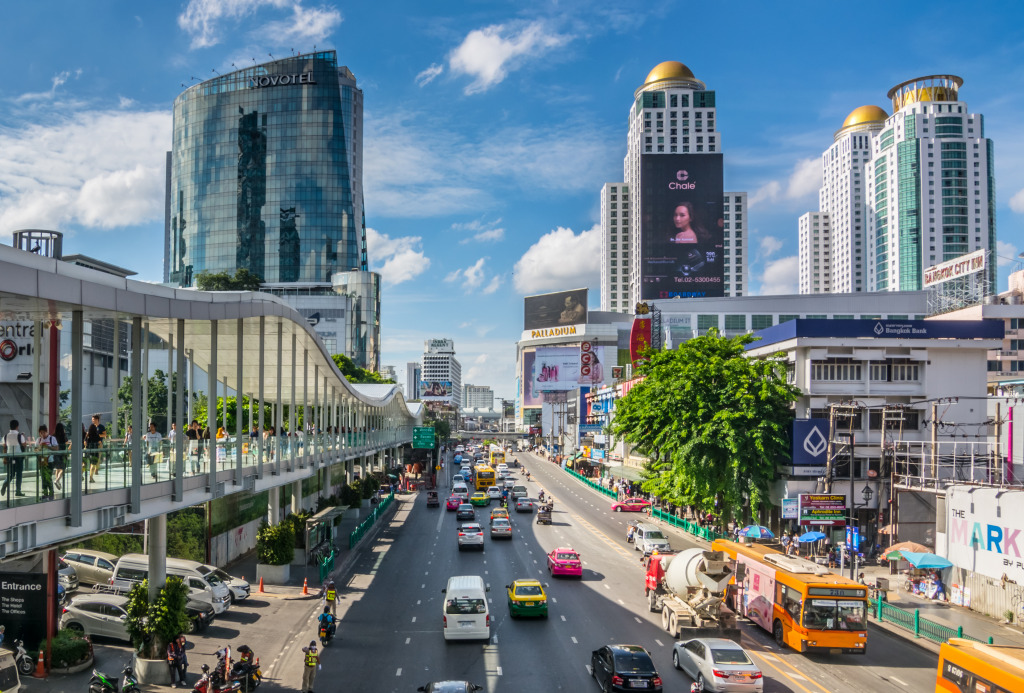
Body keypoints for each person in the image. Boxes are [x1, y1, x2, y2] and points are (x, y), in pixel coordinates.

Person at [2, 419, 27, 497]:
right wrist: (23, 437)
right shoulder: (20, 436)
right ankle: (18, 491)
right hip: (18, 457)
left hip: (9, 457)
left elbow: (4, 447)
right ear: (17, 426)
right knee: (19, 474)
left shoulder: (5, 436)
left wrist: (5, 458)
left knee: (11, 474)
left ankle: (5, 483)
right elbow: (24, 445)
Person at [36, 424, 57, 500]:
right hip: (41, 462)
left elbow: (56, 448)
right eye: (41, 433)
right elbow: (35, 450)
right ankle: (45, 493)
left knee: (48, 477)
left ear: (46, 432)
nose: (42, 434)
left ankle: (51, 493)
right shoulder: (38, 440)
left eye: (44, 433)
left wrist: (47, 447)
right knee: (43, 478)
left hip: (50, 461)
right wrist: (39, 449)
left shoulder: (52, 438)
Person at [52, 422, 68, 490]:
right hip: (62, 454)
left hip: (55, 454)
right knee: (63, 469)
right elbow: (66, 443)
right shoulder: (63, 436)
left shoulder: (53, 436)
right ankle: (57, 480)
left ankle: (57, 482)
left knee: (57, 468)